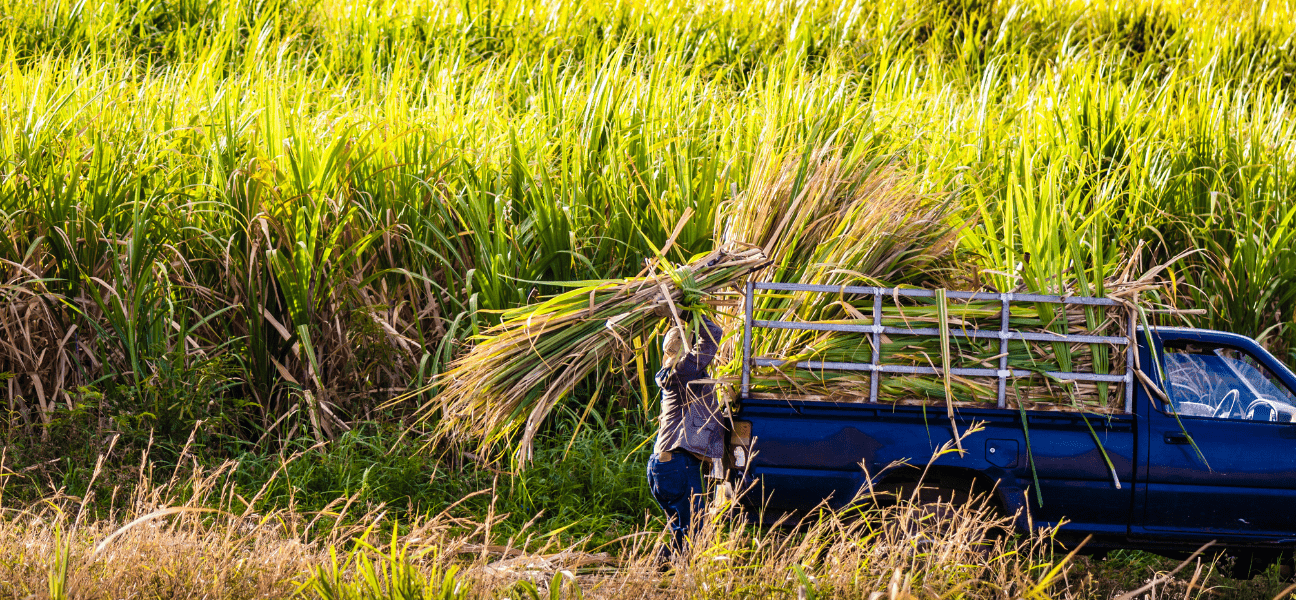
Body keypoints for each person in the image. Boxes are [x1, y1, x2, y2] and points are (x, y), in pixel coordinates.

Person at [646, 313, 726, 564]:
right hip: (678, 465)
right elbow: (713, 336)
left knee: (683, 533)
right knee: (695, 532)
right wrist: (694, 314)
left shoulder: (671, 373)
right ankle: (679, 579)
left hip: (663, 466)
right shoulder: (682, 372)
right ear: (686, 349)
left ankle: (661, 573)